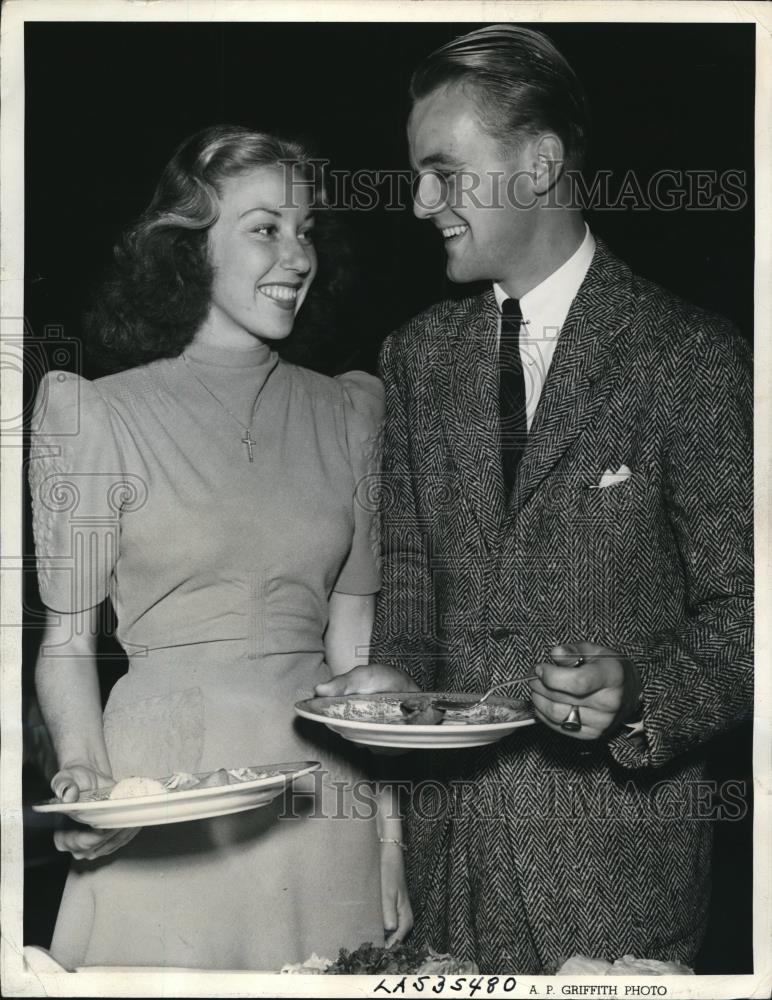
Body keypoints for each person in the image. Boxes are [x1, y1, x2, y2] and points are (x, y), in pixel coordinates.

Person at [318, 26, 753, 972]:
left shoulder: (691, 357)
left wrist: (640, 694)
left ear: (541, 161)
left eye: (444, 170)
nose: (422, 200)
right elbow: (409, 592)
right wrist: (393, 688)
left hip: (613, 887)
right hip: (447, 874)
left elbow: (753, 615)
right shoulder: (415, 357)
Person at [28, 125, 412, 970]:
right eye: (265, 228)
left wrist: (388, 834)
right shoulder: (96, 415)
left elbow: (357, 655)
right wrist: (90, 780)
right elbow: (66, 643)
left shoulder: (350, 413)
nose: (297, 254)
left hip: (323, 801)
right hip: (165, 798)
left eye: (307, 230)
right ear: (190, 246)